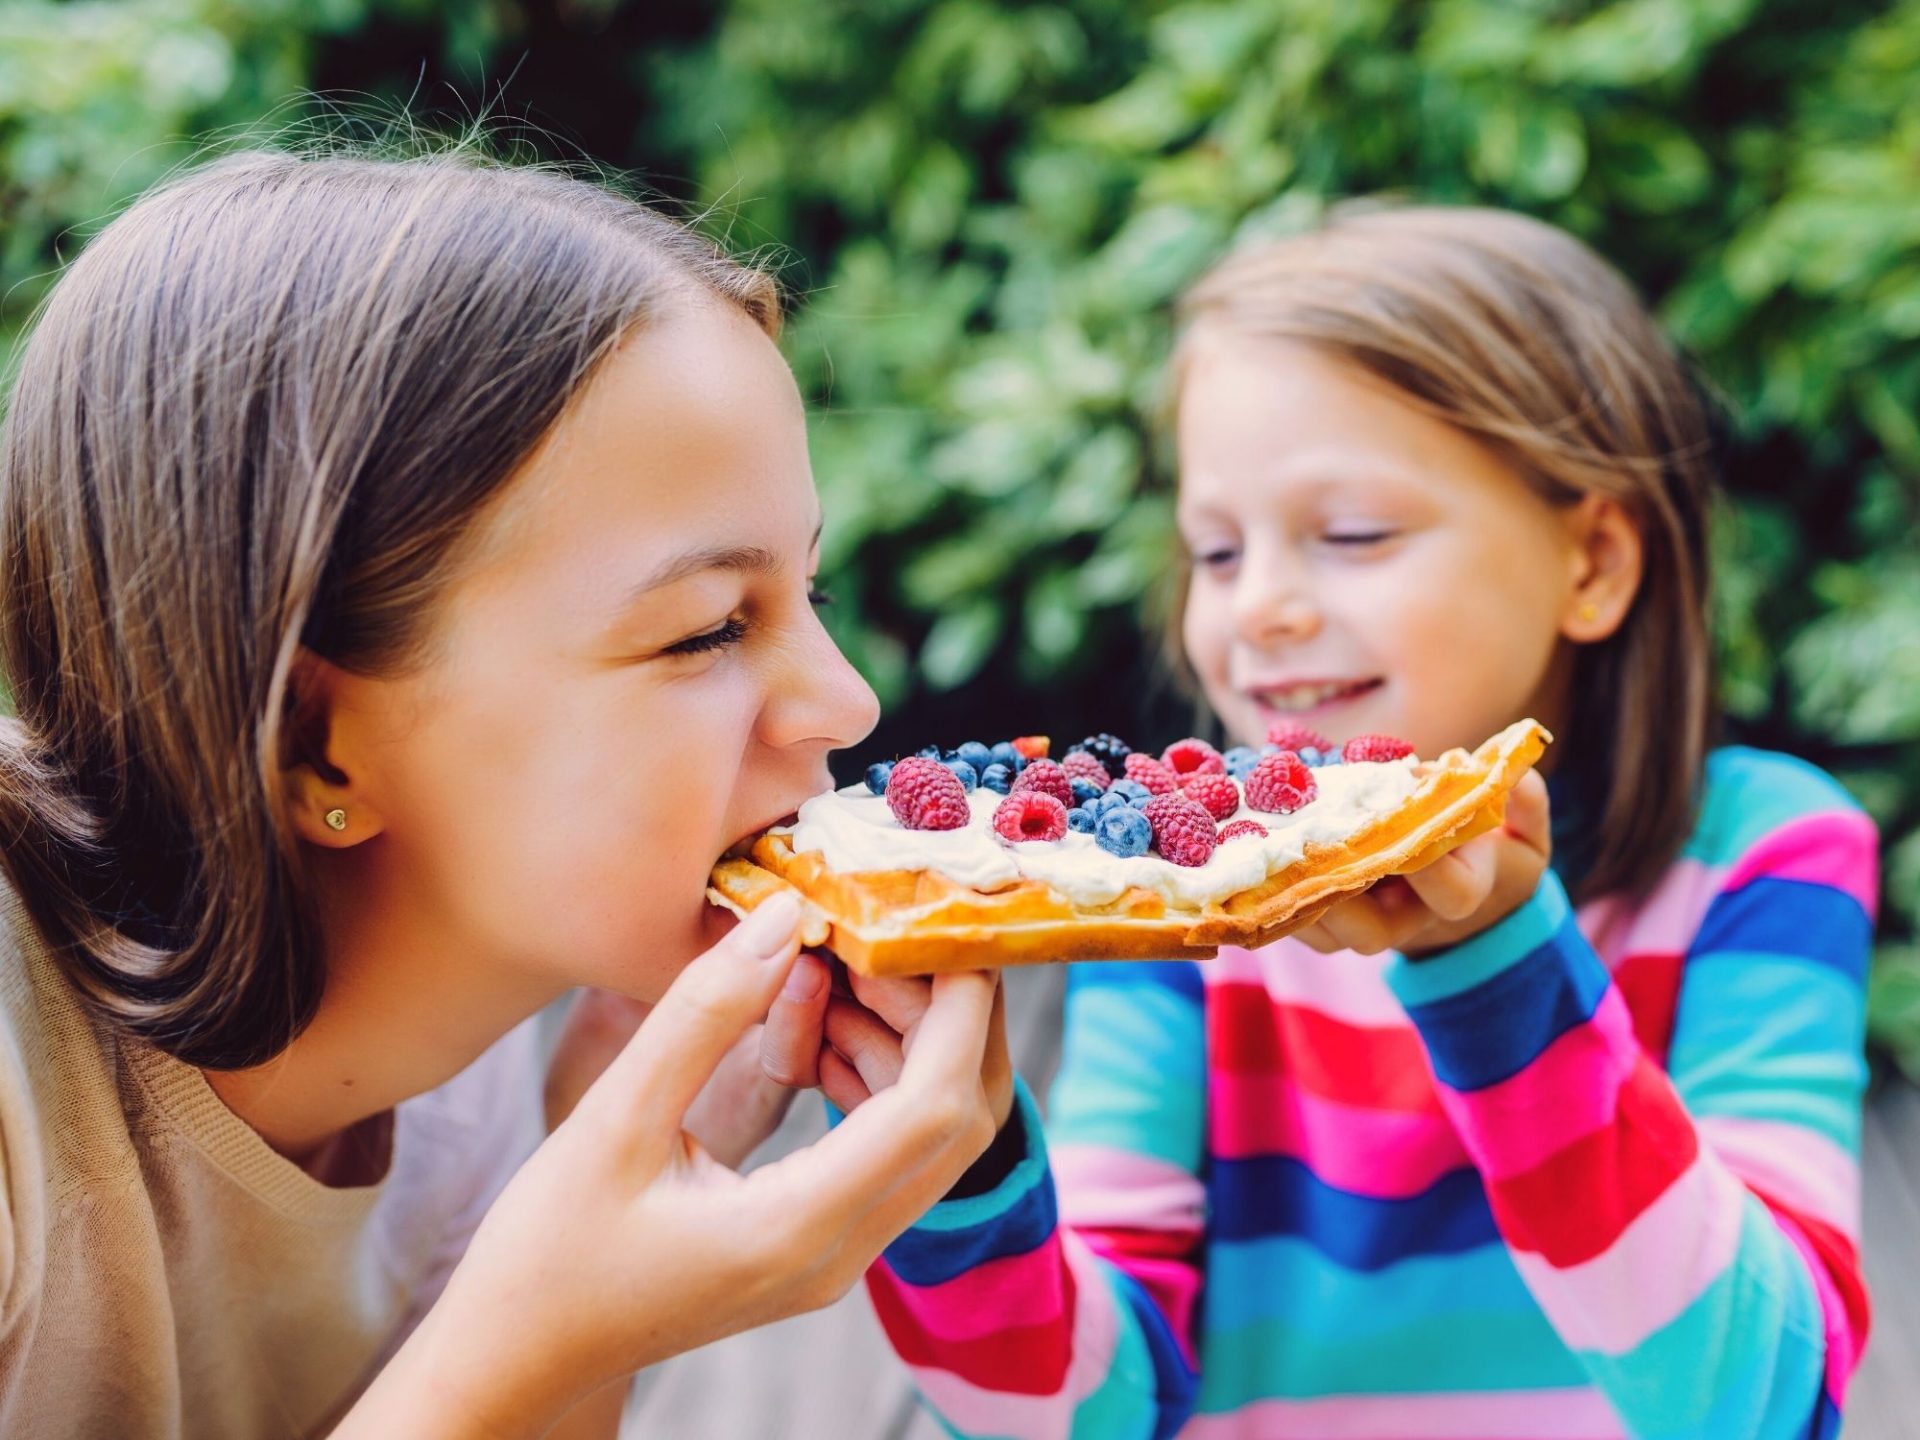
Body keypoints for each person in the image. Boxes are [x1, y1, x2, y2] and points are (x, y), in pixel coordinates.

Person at [0, 147, 1009, 1439]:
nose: (849, 703)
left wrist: (587, 1173)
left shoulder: (468, 1093)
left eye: (805, 594)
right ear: (320, 744)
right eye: (706, 628)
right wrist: (522, 1343)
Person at [858, 205, 1875, 1438]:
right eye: (1218, 553)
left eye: (1352, 536)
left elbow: (1765, 1402)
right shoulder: (1175, 917)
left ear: (1594, 561)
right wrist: (944, 1157)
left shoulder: (1766, 858)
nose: (1265, 609)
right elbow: (1081, 1416)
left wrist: (1492, 959)